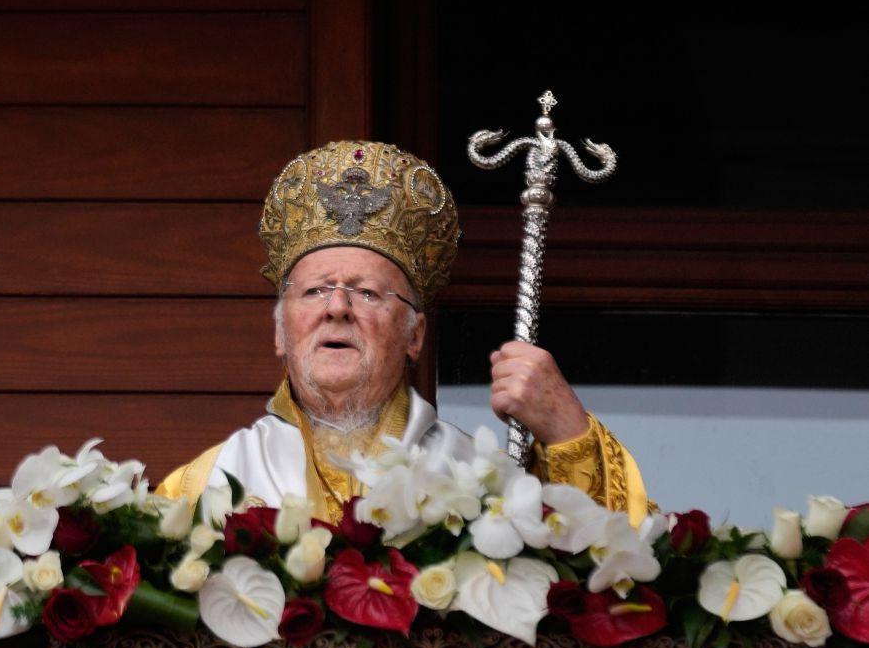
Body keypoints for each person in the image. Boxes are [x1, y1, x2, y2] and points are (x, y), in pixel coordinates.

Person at [159, 140, 648, 520]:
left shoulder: (481, 482)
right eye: (314, 291)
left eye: (368, 293)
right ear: (280, 333)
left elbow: (617, 570)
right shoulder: (201, 489)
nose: (337, 308)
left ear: (415, 336)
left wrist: (566, 431)